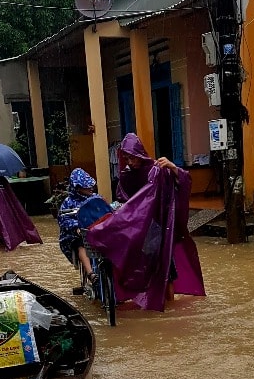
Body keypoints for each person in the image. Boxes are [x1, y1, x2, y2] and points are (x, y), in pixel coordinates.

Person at [87, 132, 205, 312]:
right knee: (140, 267)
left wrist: (173, 168)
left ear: (139, 154)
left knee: (166, 268)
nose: (129, 162)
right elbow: (125, 202)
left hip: (157, 229)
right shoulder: (126, 176)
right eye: (126, 158)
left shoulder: (156, 169)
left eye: (132, 157)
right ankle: (141, 300)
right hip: (137, 229)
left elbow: (182, 183)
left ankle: (168, 306)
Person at [57, 168, 97, 287]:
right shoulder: (68, 202)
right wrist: (76, 227)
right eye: (87, 186)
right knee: (81, 244)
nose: (91, 188)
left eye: (91, 186)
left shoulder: (95, 198)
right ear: (78, 188)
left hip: (97, 232)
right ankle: (91, 274)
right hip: (77, 235)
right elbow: (63, 220)